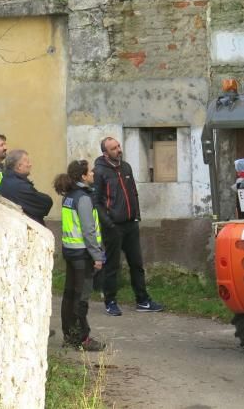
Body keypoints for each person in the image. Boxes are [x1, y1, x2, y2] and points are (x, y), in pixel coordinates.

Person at [92, 137, 163, 315]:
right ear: (105, 153)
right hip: (113, 226)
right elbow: (96, 202)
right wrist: (108, 222)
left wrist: (136, 214)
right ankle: (110, 302)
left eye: (118, 146)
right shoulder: (100, 171)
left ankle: (143, 300)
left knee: (137, 264)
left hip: (131, 224)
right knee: (113, 266)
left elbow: (133, 192)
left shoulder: (126, 167)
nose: (119, 150)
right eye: (114, 148)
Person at [54, 160, 106, 352]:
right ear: (83, 176)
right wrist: (97, 255)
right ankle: (81, 338)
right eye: (90, 172)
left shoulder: (69, 196)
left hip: (70, 251)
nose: (93, 174)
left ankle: (69, 335)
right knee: (80, 298)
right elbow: (88, 230)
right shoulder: (83, 198)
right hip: (82, 254)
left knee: (69, 295)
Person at [0, 149, 53, 226]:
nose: (30, 164)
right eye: (27, 162)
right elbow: (45, 203)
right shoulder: (18, 186)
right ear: (19, 166)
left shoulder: (7, 180)